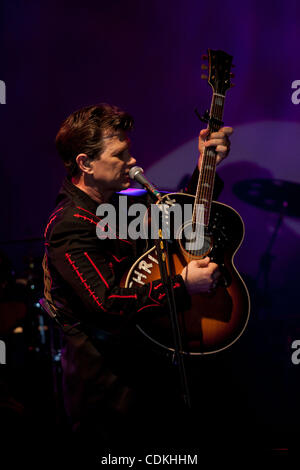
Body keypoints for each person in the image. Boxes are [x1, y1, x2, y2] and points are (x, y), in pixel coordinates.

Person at [42, 103, 232, 457]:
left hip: (144, 375)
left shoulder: (116, 207)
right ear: (85, 163)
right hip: (108, 393)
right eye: (120, 154)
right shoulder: (71, 225)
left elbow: (183, 227)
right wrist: (182, 285)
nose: (132, 161)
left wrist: (206, 166)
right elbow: (106, 304)